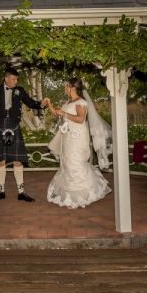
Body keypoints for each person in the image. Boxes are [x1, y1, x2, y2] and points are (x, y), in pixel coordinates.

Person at [44, 78, 112, 209]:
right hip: (67, 137)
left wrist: (65, 113)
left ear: (72, 87)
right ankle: (70, 195)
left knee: (74, 162)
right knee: (67, 162)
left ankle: (83, 195)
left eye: (66, 86)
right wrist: (49, 104)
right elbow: (59, 114)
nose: (65, 89)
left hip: (77, 137)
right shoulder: (68, 102)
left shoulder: (81, 102)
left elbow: (80, 119)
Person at [0, 67, 45, 202]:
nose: (15, 81)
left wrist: (41, 104)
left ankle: (21, 192)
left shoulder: (20, 90)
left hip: (14, 126)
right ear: (6, 79)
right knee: (1, 160)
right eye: (13, 79)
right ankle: (1, 191)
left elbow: (30, 102)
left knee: (18, 159)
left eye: (16, 79)